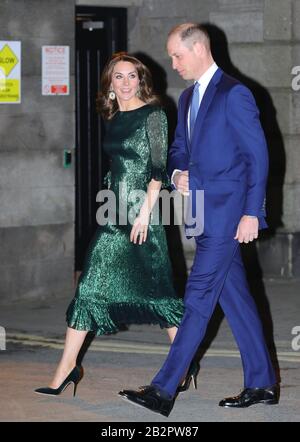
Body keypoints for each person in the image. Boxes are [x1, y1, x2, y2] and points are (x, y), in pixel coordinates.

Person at [119, 24, 279, 416]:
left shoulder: (235, 94)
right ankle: (262, 382)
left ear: (199, 50)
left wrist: (251, 213)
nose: (173, 64)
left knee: (197, 298)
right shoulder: (189, 97)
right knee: (236, 299)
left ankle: (163, 388)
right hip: (202, 213)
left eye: (177, 55)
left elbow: (258, 159)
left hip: (227, 216)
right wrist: (176, 175)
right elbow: (179, 150)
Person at [34, 53, 184, 397]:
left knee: (159, 293)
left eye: (133, 76)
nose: (127, 83)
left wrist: (146, 214)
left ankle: (183, 362)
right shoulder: (114, 116)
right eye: (119, 77)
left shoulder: (155, 114)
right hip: (113, 212)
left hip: (142, 213)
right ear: (111, 84)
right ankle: (66, 368)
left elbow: (158, 169)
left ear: (141, 80)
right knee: (89, 287)